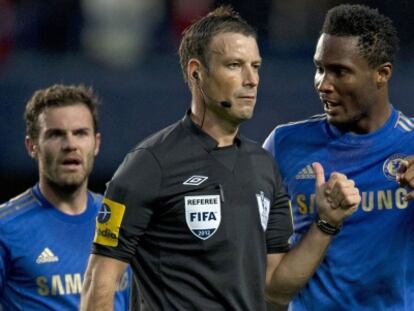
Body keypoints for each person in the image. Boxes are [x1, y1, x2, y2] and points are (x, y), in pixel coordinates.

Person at [80, 6, 360, 310]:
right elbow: (100, 281)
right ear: (196, 72)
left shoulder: (264, 166)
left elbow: (275, 288)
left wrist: (325, 224)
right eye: (235, 65)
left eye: (256, 66)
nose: (251, 79)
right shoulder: (149, 164)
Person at [264, 4, 414, 310]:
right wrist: (326, 223)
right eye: (320, 68)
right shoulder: (283, 146)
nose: (322, 84)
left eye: (340, 71)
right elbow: (272, 289)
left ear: (381, 74)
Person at [0, 84, 130, 310]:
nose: (70, 145)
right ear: (32, 146)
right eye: (56, 134)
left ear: (96, 143)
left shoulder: (120, 221)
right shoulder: (5, 227)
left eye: (80, 133)